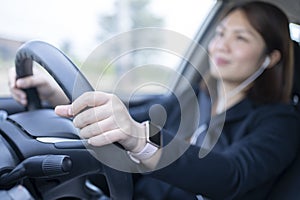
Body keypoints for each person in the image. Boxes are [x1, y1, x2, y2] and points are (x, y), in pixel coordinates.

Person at [8, 1, 300, 199]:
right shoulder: (191, 99)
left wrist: (141, 138)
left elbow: (233, 175)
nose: (222, 44)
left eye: (241, 38)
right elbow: (130, 112)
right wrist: (56, 93)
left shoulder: (281, 122)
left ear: (270, 58)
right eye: (220, 33)